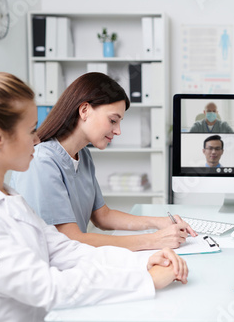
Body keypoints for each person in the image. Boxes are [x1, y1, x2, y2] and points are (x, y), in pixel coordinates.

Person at [0, 72, 189, 321]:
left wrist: (142, 262)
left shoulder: (11, 198)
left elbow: (65, 250)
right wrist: (146, 279)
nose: (37, 138)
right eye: (30, 130)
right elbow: (49, 288)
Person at [10, 72, 196, 251]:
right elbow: (71, 239)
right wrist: (153, 240)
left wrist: (158, 222)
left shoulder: (83, 155)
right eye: (113, 120)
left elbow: (102, 216)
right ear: (84, 110)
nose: (118, 131)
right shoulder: (42, 161)